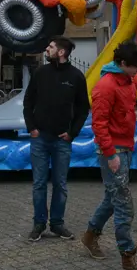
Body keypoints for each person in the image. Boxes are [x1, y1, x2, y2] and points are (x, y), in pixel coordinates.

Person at [80, 40, 137, 270]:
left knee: (113, 198)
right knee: (123, 203)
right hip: (114, 151)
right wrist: (110, 154)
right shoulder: (106, 86)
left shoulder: (127, 82)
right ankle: (128, 254)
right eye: (136, 66)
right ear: (123, 64)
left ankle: (91, 235)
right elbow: (99, 124)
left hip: (125, 147)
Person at [23, 37, 90, 242]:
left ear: (61, 52)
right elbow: (28, 102)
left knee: (60, 184)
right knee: (39, 183)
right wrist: (32, 128)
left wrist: (72, 133)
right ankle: (39, 224)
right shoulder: (41, 73)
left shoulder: (76, 77)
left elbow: (83, 108)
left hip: (63, 140)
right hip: (40, 138)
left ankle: (58, 224)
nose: (47, 49)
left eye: (51, 47)